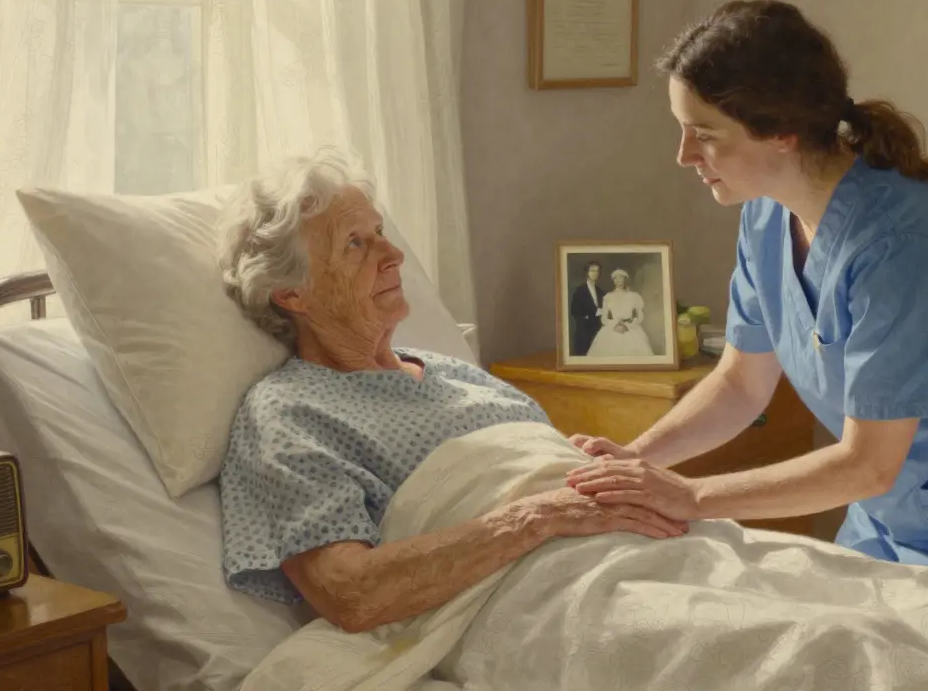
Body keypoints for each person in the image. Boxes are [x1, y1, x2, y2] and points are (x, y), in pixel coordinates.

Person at [565, 0, 928, 598]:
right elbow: (741, 386)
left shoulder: (905, 244)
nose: (684, 156)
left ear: (780, 130)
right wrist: (637, 460)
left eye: (703, 134)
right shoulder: (764, 216)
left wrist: (694, 496)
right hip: (890, 512)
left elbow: (869, 463)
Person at [215, 148, 687, 633]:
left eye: (379, 232)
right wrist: (537, 516)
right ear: (292, 293)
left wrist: (582, 466)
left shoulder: (459, 374)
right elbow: (350, 593)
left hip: (646, 557)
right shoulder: (289, 412)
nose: (393, 254)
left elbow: (533, 477)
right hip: (549, 604)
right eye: (355, 244)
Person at [587, 268, 654, 357]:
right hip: (612, 328)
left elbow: (640, 317)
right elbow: (604, 319)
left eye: (621, 278)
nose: (619, 281)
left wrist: (627, 325)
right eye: (616, 278)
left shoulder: (634, 296)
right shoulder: (608, 297)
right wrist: (615, 325)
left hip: (630, 329)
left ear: (625, 280)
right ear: (613, 281)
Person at [569, 260, 606, 355]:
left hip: (598, 332)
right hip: (584, 332)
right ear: (587, 272)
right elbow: (575, 311)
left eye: (597, 271)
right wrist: (592, 314)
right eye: (592, 271)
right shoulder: (580, 291)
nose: (595, 273)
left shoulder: (601, 292)